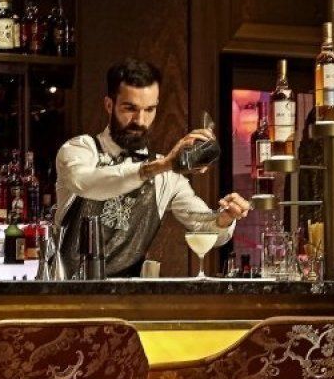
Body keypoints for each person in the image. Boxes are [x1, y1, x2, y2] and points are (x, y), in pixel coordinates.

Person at [49, 60, 250, 278]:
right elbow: (86, 182)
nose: (140, 120)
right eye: (130, 108)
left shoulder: (167, 175)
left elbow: (206, 228)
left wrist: (225, 218)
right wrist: (160, 166)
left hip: (128, 298)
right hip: (66, 293)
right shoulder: (81, 149)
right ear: (109, 105)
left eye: (149, 110)